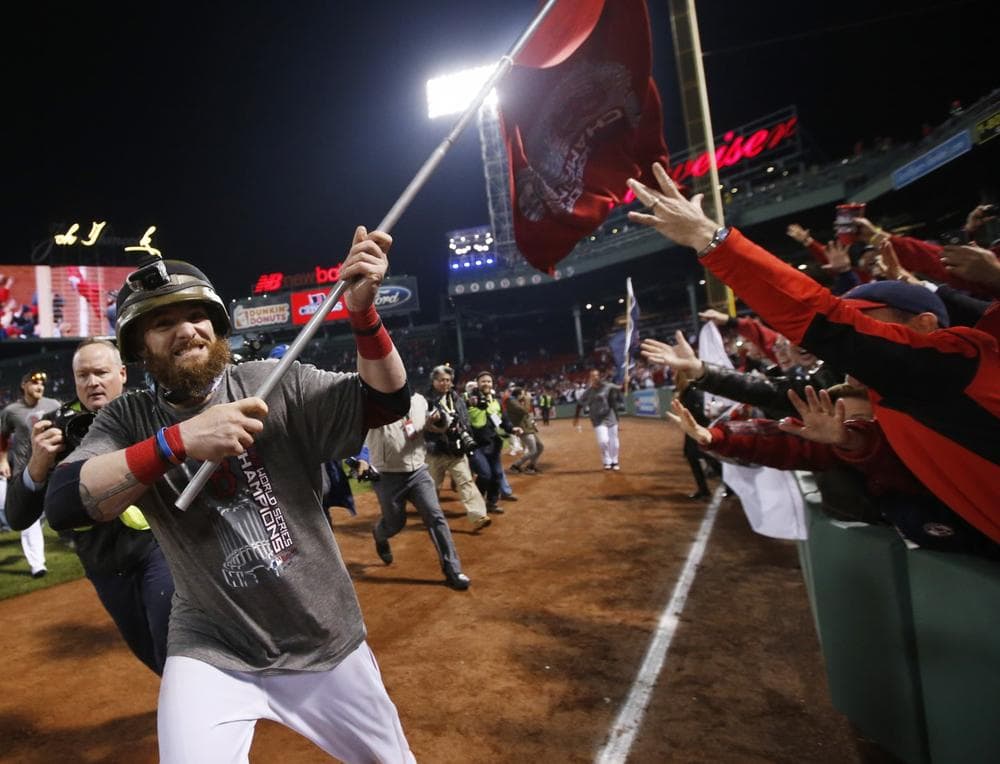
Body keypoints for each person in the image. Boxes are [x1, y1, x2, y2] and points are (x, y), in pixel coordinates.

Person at [45, 227, 416, 763]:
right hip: (211, 647)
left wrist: (363, 313)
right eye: (162, 324)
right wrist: (176, 442)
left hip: (323, 637)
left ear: (216, 325)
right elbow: (65, 503)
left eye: (196, 316)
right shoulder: (128, 419)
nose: (186, 330)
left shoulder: (274, 381)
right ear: (139, 348)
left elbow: (386, 402)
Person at [627, 164, 1000, 544]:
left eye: (867, 319)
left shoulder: (955, 360)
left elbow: (823, 321)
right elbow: (809, 441)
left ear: (924, 325)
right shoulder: (894, 394)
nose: (857, 330)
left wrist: (709, 238)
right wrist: (854, 443)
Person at [5, 339, 174, 674]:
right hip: (102, 562)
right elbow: (17, 516)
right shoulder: (51, 428)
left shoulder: (150, 409)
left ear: (122, 373)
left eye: (101, 372)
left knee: (171, 640)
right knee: (149, 653)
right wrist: (38, 464)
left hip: (159, 547)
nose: (93, 382)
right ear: (74, 379)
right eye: (83, 375)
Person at [366, 392, 472, 590]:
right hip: (387, 475)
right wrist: (362, 461)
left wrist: (439, 419)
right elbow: (357, 434)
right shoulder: (371, 401)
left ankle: (453, 569)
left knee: (435, 516)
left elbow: (437, 425)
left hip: (418, 473)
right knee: (395, 523)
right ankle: (380, 534)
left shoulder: (418, 400)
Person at [1, 370, 61, 577]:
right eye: (34, 383)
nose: (39, 386)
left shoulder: (53, 405)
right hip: (24, 473)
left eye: (42, 384)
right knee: (29, 520)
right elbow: (2, 437)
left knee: (49, 513)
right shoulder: (11, 411)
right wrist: (2, 460)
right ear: (24, 385)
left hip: (52, 470)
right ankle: (38, 565)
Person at [423, 364, 491, 532]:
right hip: (435, 451)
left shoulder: (456, 398)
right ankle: (431, 517)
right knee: (432, 487)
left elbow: (465, 420)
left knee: (466, 481)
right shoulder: (424, 400)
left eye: (448, 380)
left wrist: (465, 435)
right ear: (433, 381)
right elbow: (420, 426)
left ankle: (478, 516)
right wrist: (431, 424)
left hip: (456, 450)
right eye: (441, 380)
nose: (445, 383)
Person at [466, 370, 521, 514]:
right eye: (483, 381)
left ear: (492, 384)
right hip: (475, 445)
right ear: (477, 383)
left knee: (496, 474)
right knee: (485, 474)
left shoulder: (495, 401)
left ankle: (491, 502)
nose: (486, 384)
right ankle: (477, 502)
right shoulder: (468, 399)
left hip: (493, 444)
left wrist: (512, 429)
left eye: (489, 381)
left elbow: (503, 420)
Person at [573, 369, 625, 471]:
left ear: (599, 376)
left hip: (610, 416)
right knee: (603, 441)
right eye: (593, 376)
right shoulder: (588, 392)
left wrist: (626, 381)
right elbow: (579, 404)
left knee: (614, 442)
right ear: (590, 378)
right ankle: (607, 460)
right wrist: (576, 418)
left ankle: (614, 461)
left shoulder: (607, 386)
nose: (595, 377)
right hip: (597, 419)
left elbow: (621, 389)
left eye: (597, 375)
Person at [507, 387, 544, 474]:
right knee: (533, 450)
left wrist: (532, 423)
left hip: (528, 428)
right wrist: (527, 400)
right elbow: (524, 411)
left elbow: (526, 415)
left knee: (540, 447)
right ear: (519, 394)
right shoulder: (511, 402)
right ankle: (515, 466)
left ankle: (531, 466)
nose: (525, 396)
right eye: (523, 394)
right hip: (522, 429)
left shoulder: (517, 401)